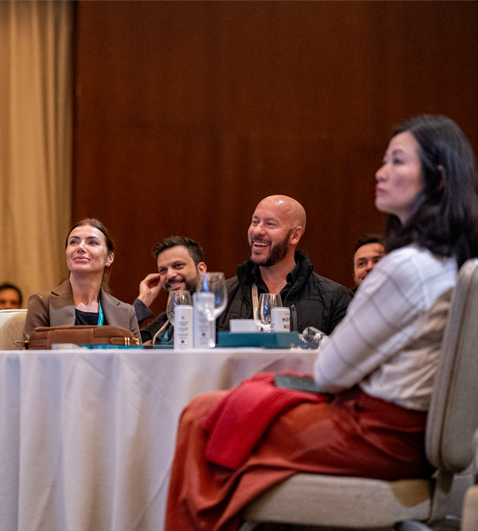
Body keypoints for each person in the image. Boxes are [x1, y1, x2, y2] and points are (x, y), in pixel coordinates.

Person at [165, 115, 478, 531]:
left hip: (376, 436)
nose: (381, 172)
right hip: (416, 438)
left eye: (397, 161)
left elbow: (330, 372)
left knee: (201, 414)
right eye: (384, 160)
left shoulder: (406, 268)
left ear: (437, 178)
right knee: (244, 400)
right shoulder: (451, 262)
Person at [216, 195, 352, 334]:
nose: (257, 230)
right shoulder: (221, 296)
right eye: (255, 222)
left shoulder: (335, 298)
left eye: (270, 224)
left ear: (295, 236)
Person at [22, 218, 141, 343]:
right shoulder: (43, 304)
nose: (80, 247)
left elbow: (136, 355)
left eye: (92, 242)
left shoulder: (126, 312)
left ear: (109, 258)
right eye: (73, 242)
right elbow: (32, 353)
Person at [133, 236, 207, 344]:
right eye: (163, 270)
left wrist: (152, 350)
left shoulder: (214, 313)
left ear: (201, 270)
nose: (169, 275)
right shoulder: (164, 321)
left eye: (178, 265)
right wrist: (144, 299)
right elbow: (119, 340)